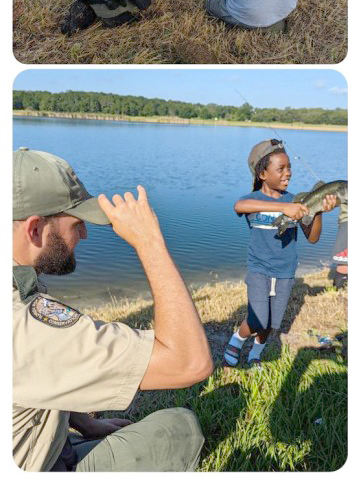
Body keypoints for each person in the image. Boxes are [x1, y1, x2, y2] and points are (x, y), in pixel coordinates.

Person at [12, 148, 212, 471]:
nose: (85, 233)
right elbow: (191, 361)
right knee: (180, 430)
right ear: (35, 230)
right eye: (77, 223)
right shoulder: (24, 325)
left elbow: (40, 371)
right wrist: (149, 242)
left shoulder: (17, 280)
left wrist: (86, 425)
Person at [224, 139, 337, 368]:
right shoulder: (254, 200)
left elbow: (313, 238)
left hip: (285, 272)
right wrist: (282, 208)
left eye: (289, 168)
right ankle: (236, 340)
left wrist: (319, 212)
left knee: (271, 324)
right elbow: (239, 206)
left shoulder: (297, 200)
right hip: (259, 270)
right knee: (257, 318)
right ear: (262, 174)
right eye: (281, 169)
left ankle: (255, 354)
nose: (288, 173)